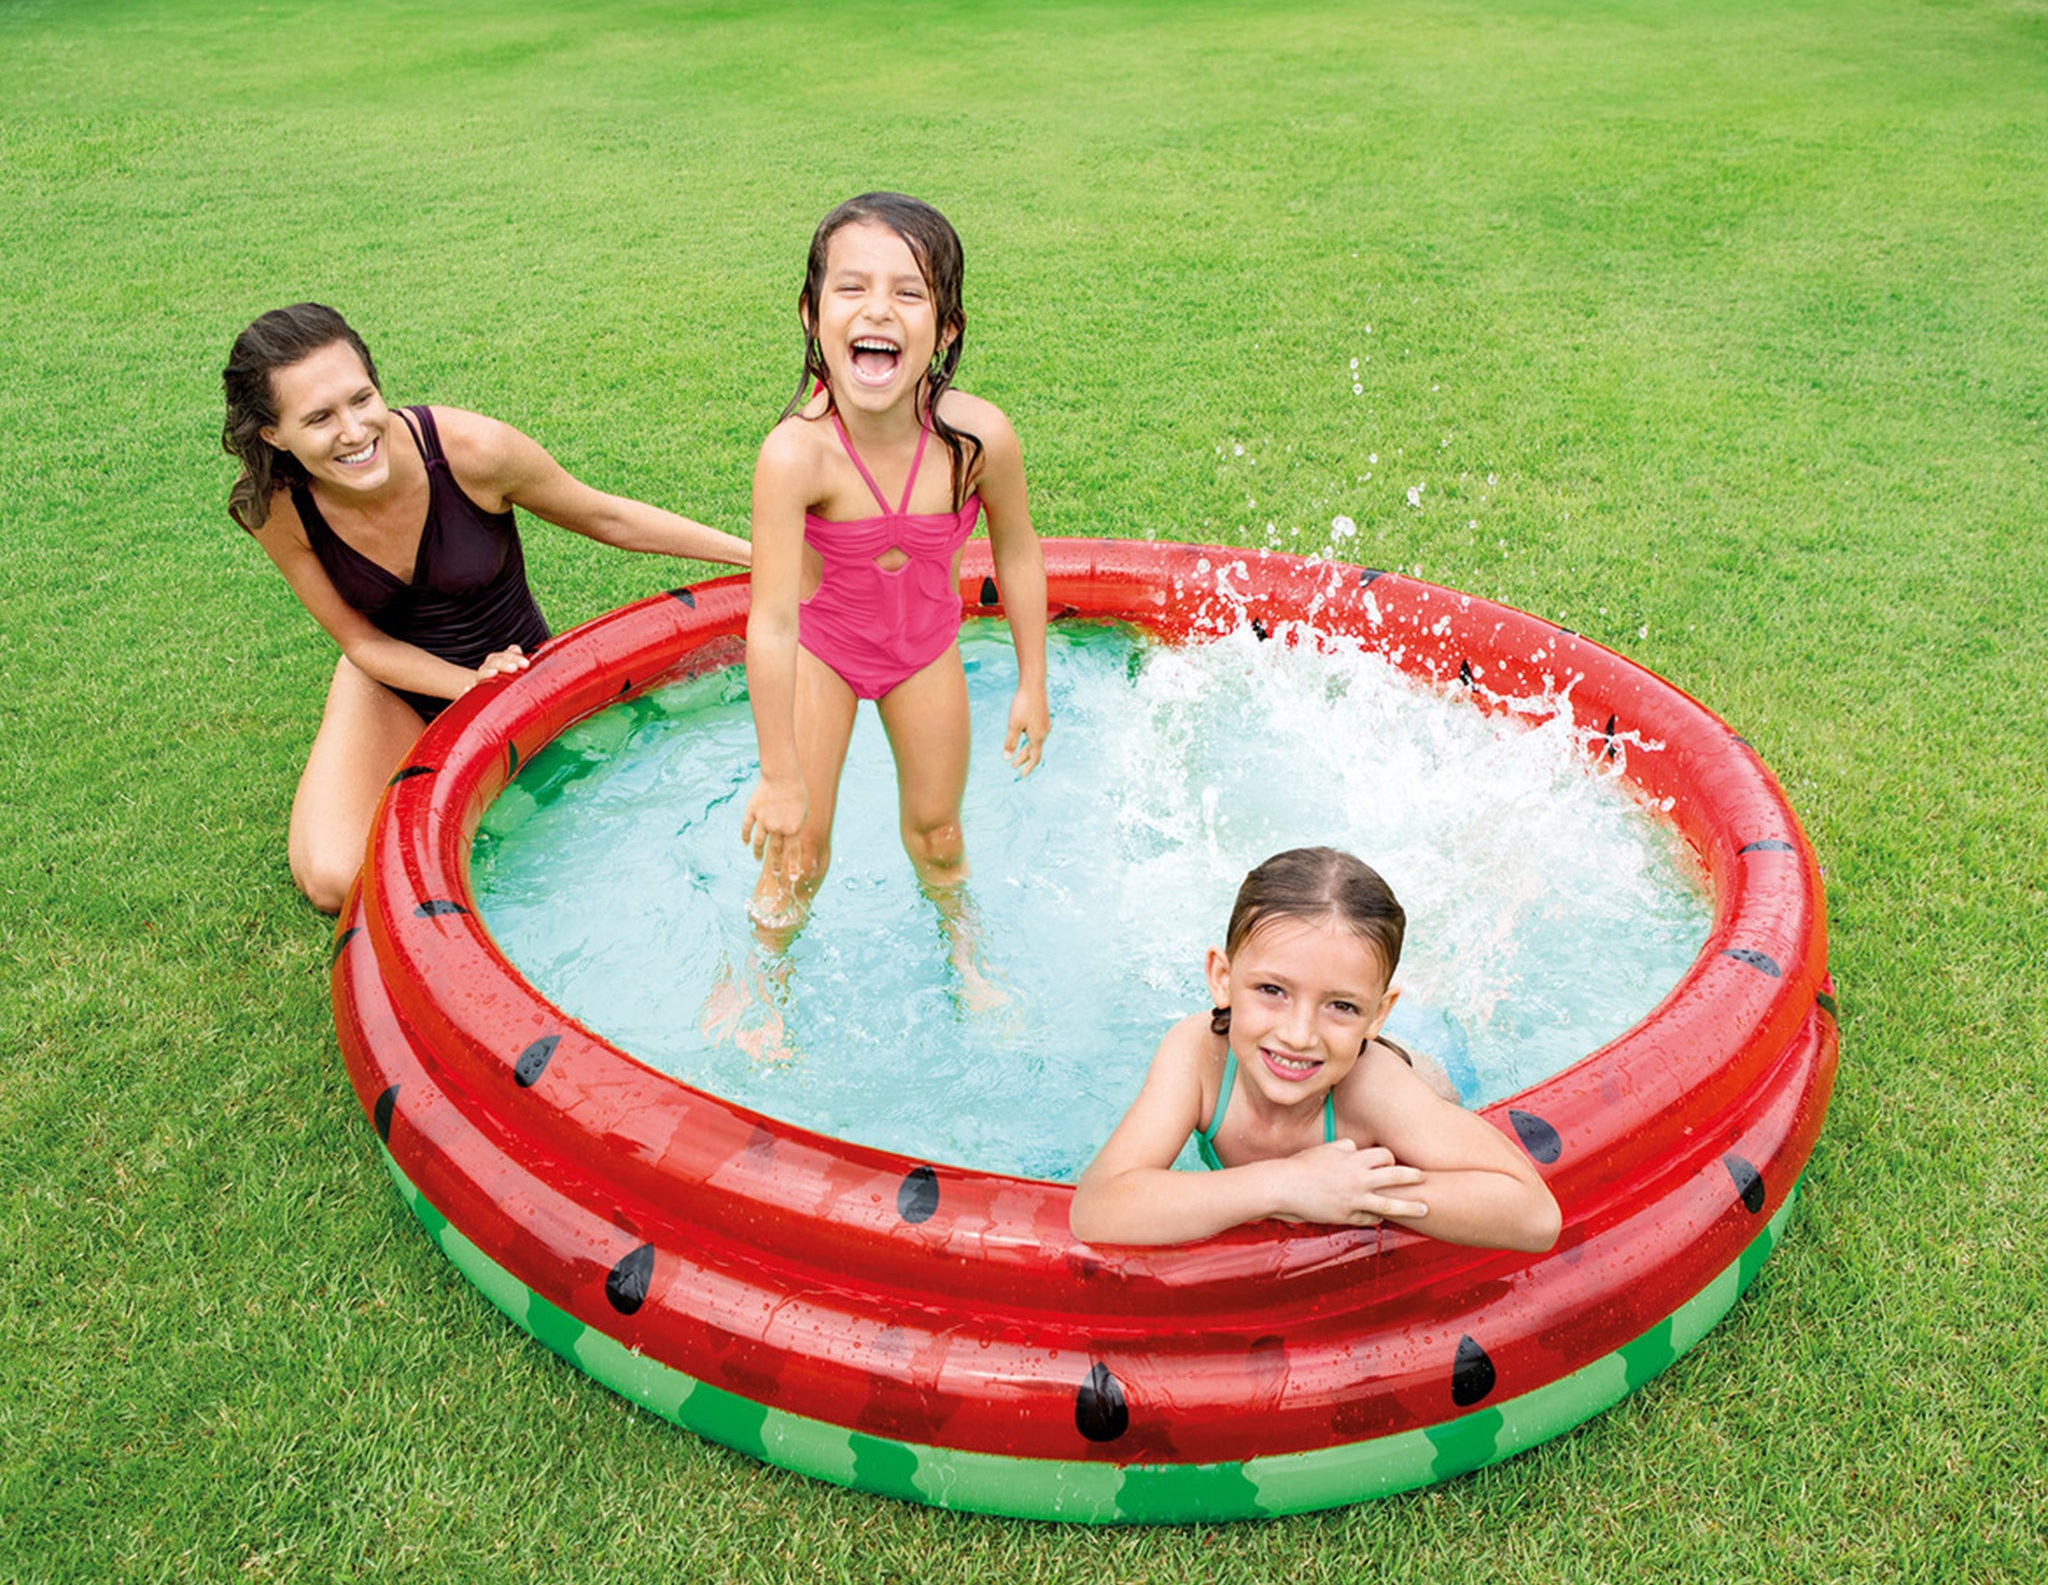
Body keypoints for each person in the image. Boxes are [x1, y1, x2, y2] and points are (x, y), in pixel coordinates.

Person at [223, 302, 750, 916]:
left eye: (361, 399)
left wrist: (757, 554)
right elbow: (362, 643)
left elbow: (604, 515)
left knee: (563, 846)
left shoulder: (471, 451)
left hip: (517, 677)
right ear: (273, 434)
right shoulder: (277, 509)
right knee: (335, 881)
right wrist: (468, 684)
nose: (354, 431)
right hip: (394, 678)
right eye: (319, 418)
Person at [731, 193, 1048, 1042]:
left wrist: (1032, 682)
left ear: (946, 328)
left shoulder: (979, 440)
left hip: (923, 654)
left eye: (910, 293)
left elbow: (1017, 553)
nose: (879, 309)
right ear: (812, 313)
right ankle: (764, 984)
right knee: (802, 848)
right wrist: (778, 770)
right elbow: (771, 623)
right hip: (824, 656)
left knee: (939, 834)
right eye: (852, 289)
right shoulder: (796, 454)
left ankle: (967, 955)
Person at [1070, 847, 1562, 1251]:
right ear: (1222, 979)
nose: (1299, 1034)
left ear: (1376, 1014)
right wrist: (1285, 1185)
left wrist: (1359, 1192)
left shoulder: (1372, 1089)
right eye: (1271, 991)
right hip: (1349, 1043)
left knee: (1461, 1025)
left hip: (1422, 1056)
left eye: (1342, 1005)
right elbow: (1098, 1207)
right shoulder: (1200, 1055)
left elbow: (1535, 1216)